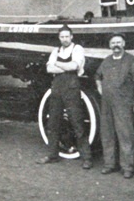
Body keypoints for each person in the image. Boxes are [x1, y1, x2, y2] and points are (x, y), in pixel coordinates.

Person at [36, 25, 92, 169]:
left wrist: (58, 64)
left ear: (72, 36)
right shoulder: (56, 50)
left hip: (71, 89)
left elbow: (74, 66)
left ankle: (86, 158)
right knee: (53, 123)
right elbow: (49, 68)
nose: (64, 39)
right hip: (57, 89)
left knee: (77, 122)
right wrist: (65, 66)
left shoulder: (77, 49)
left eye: (67, 36)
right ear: (59, 38)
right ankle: (52, 154)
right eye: (62, 37)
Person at [95, 33, 134, 179]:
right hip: (107, 104)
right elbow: (97, 76)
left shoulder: (132, 61)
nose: (116, 45)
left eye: (118, 42)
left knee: (126, 135)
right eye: (113, 43)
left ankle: (127, 167)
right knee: (107, 134)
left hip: (124, 104)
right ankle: (109, 164)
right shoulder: (106, 61)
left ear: (123, 44)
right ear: (110, 46)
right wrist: (100, 88)